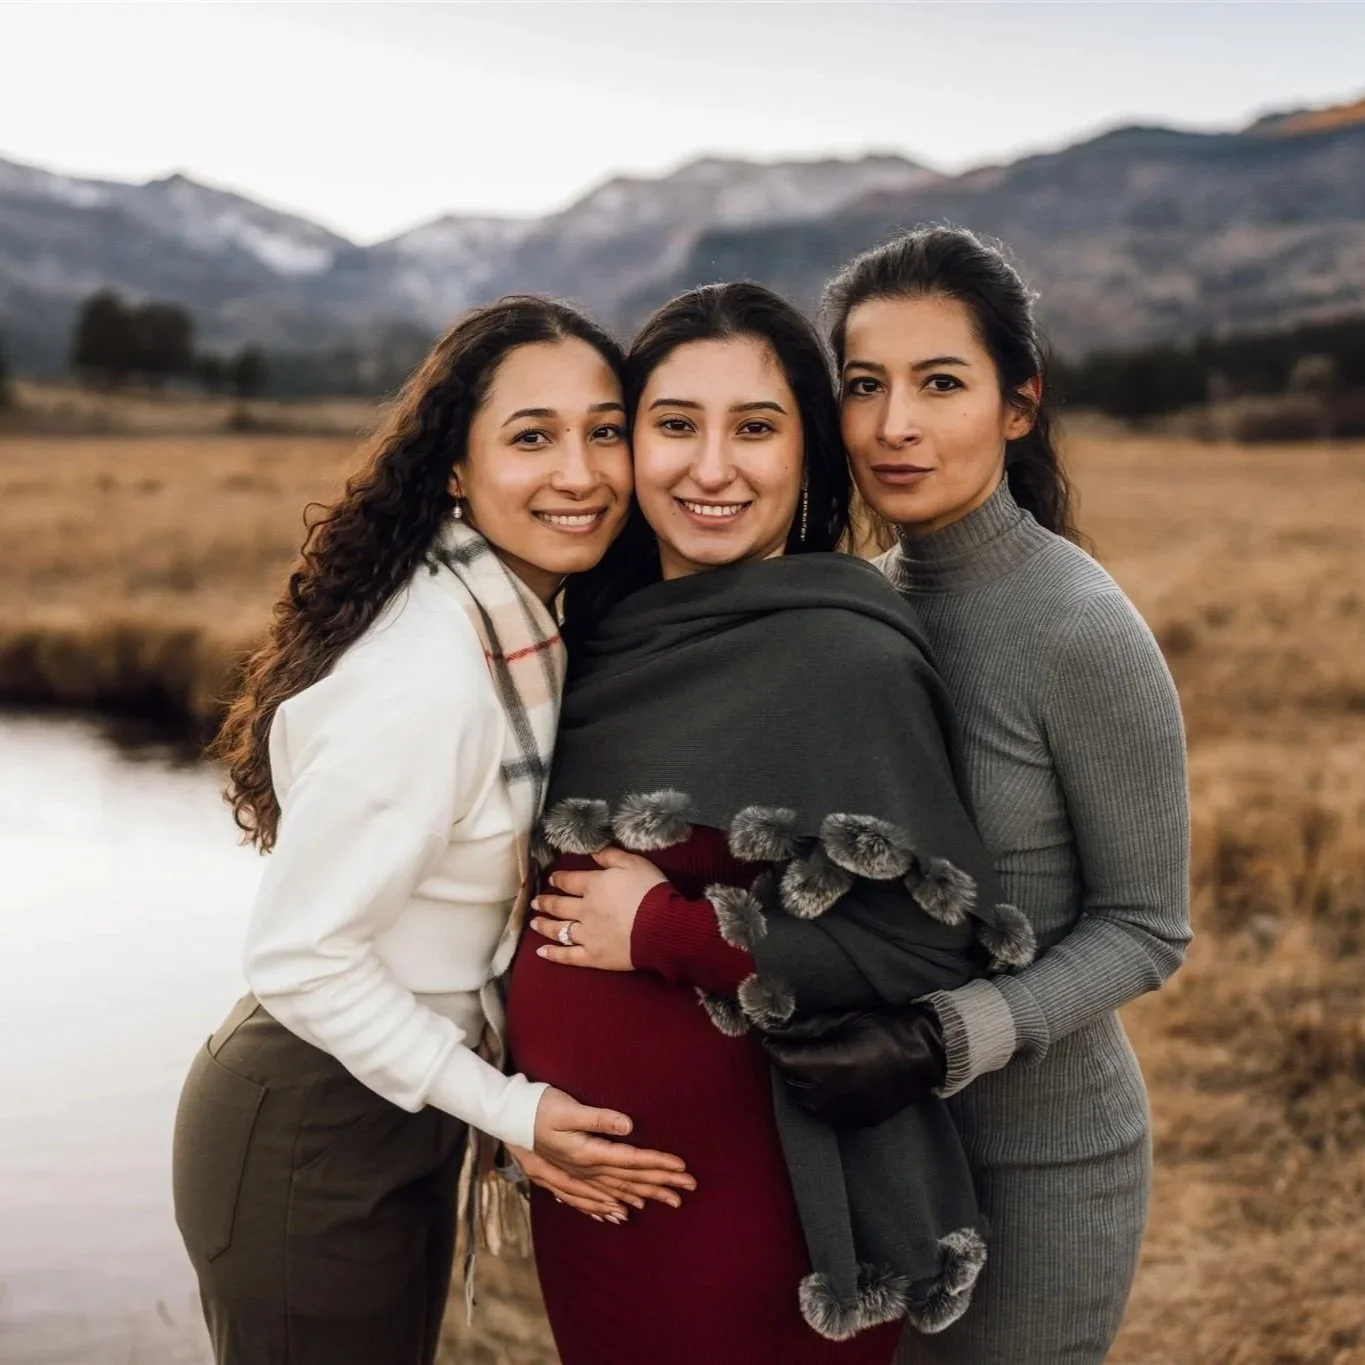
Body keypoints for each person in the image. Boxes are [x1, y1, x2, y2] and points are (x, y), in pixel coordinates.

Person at [505, 283, 1034, 1365]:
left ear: (807, 457)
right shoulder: (579, 639)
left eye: (754, 427)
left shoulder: (844, 653)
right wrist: (506, 1115)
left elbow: (923, 945)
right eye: (673, 424)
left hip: (764, 1219)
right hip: (589, 1200)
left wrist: (667, 931)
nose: (711, 468)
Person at [171, 296, 693, 1365]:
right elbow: (299, 957)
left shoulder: (519, 627)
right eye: (532, 437)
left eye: (605, 431)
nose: (582, 473)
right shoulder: (431, 674)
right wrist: (508, 1108)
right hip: (310, 1121)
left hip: (391, 1106)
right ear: (455, 468)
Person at [766, 226, 1191, 1365]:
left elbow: (1147, 929)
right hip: (868, 1165)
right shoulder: (858, 612)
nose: (894, 424)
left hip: (1041, 1171)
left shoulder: (1078, 629)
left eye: (940, 383)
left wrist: (940, 1038)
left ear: (1018, 405)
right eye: (864, 387)